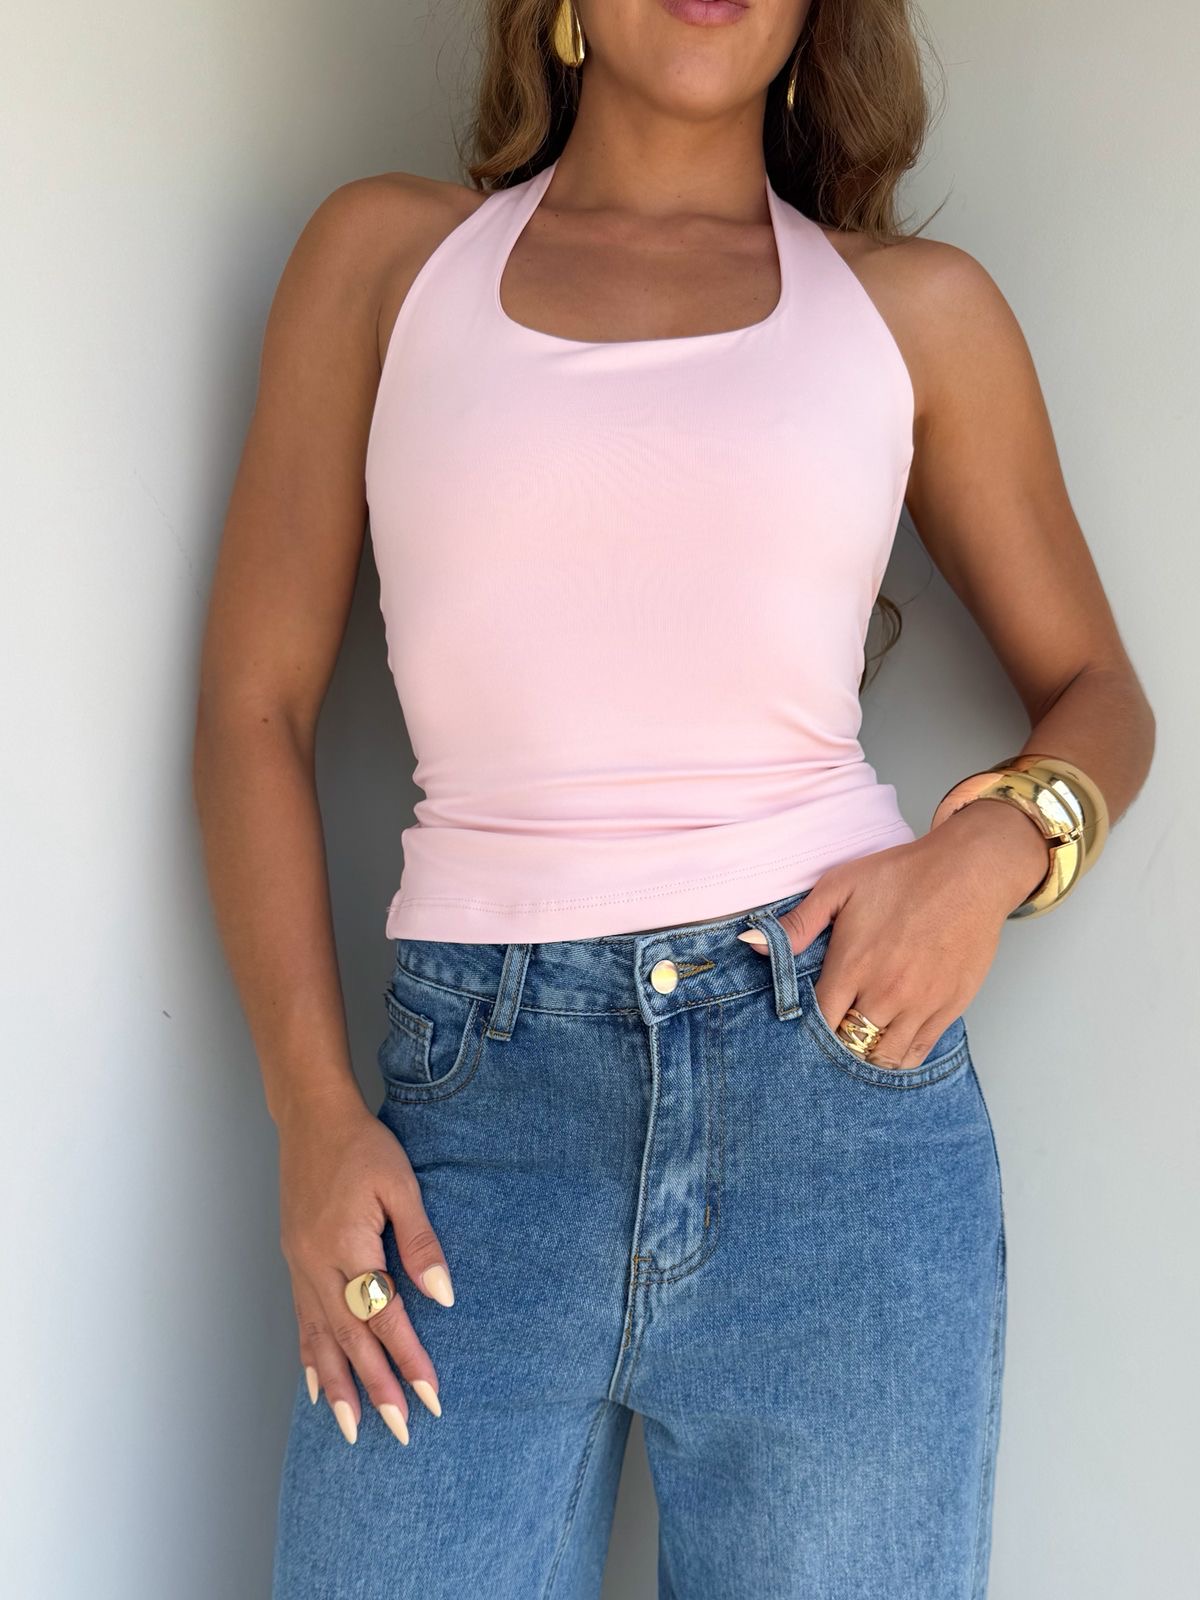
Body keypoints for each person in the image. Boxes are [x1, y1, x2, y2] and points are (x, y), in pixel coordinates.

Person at [192, 1, 1155, 1595]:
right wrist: (309, 1116)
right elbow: (252, 710)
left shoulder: (915, 312)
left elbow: (1101, 691)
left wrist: (995, 849)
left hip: (836, 1099)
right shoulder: (384, 262)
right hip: (472, 1132)